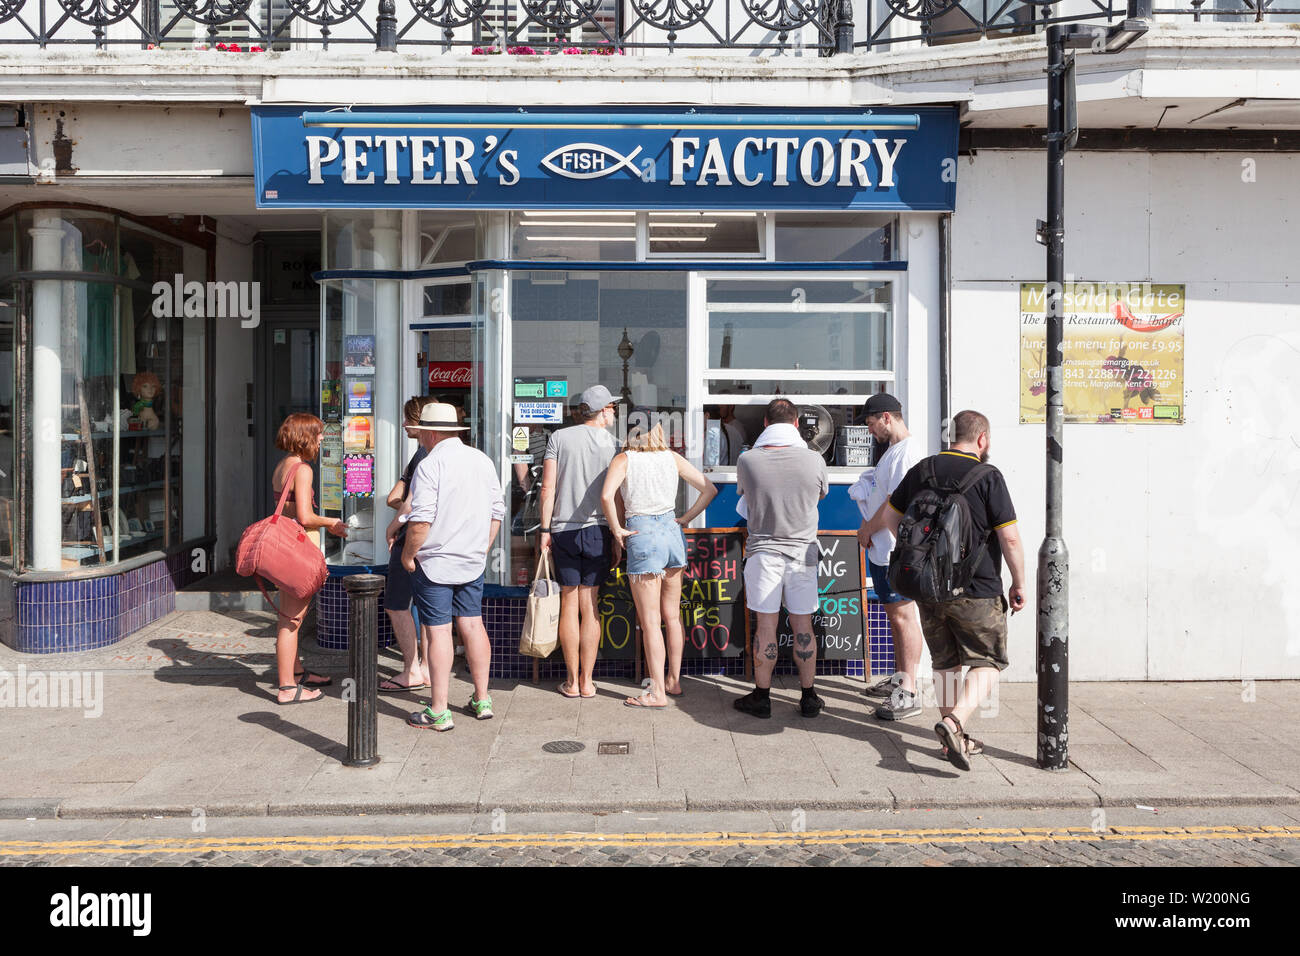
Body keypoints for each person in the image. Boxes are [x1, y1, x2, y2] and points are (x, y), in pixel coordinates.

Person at [880, 409, 1027, 770]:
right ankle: (954, 723)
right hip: (977, 588)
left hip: (930, 587)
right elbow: (1008, 537)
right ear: (982, 440)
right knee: (989, 660)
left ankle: (953, 744)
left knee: (946, 663)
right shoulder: (988, 476)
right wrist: (1020, 582)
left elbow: (889, 518)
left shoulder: (924, 469)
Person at [401, 403, 505, 732]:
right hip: (471, 560)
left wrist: (407, 555)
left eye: (420, 432)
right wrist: (482, 547)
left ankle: (439, 710)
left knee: (439, 631)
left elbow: (420, 521)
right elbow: (497, 510)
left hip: (435, 563)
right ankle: (482, 698)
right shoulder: (481, 460)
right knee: (473, 625)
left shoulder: (431, 464)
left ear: (431, 432)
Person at [601, 422, 717, 707]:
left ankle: (656, 693)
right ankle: (673, 682)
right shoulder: (672, 457)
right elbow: (709, 489)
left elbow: (606, 495)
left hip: (642, 533)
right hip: (672, 532)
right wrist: (686, 518)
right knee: (672, 617)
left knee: (650, 622)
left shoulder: (624, 459)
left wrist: (616, 530)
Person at [733, 398, 828, 719]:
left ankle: (762, 696)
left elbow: (746, 498)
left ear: (764, 423)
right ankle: (809, 696)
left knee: (766, 626)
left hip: (764, 552)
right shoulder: (815, 461)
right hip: (803, 552)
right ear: (797, 423)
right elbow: (818, 497)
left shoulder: (748, 460)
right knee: (803, 624)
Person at [540, 385, 620, 699]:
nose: (614, 411)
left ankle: (571, 682)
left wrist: (545, 530)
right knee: (591, 606)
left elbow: (548, 489)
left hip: (563, 531)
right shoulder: (615, 446)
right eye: (612, 407)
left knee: (569, 605)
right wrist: (617, 533)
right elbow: (618, 497)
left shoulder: (559, 438)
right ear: (601, 410)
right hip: (599, 530)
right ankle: (588, 682)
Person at [849, 393, 926, 721]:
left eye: (870, 423)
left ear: (886, 417)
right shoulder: (894, 452)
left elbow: (898, 500)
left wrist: (868, 527)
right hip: (884, 550)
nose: (869, 431)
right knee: (895, 618)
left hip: (896, 549)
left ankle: (908, 692)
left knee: (903, 617)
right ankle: (899, 680)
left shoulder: (906, 453)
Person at [269, 413, 348, 704]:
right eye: (317, 434)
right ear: (304, 436)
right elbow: (304, 515)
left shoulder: (282, 466)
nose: (321, 439)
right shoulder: (302, 470)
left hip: (284, 547)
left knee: (290, 615)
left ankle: (298, 671)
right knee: (291, 619)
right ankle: (288, 688)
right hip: (298, 548)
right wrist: (332, 524)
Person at [379, 397, 431, 693]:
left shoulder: (423, 456)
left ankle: (411, 669)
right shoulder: (431, 454)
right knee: (428, 606)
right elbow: (393, 497)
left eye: (407, 419)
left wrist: (393, 525)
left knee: (397, 605)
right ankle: (425, 666)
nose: (403, 425)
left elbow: (406, 502)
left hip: (412, 537)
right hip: (436, 541)